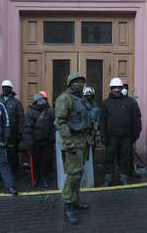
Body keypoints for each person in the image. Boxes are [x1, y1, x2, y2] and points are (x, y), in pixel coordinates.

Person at [55, 72, 91, 225]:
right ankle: (68, 206)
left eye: (82, 82)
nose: (80, 84)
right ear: (69, 83)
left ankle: (75, 201)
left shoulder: (80, 99)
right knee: (73, 175)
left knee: (78, 173)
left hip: (82, 141)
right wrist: (69, 142)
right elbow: (60, 122)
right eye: (76, 82)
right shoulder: (65, 98)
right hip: (72, 142)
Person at [100, 77, 141, 186]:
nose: (117, 90)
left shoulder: (131, 102)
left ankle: (123, 177)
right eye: (114, 88)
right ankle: (108, 178)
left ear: (122, 88)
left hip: (126, 137)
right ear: (111, 89)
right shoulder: (106, 103)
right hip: (111, 137)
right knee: (108, 158)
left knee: (125, 158)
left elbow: (137, 119)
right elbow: (102, 122)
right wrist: (103, 136)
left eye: (119, 87)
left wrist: (135, 135)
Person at [21, 92, 54, 188]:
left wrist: (52, 138)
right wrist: (29, 141)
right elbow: (27, 129)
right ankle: (35, 178)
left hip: (46, 142)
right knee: (35, 162)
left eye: (42, 101)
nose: (42, 103)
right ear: (35, 102)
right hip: (35, 143)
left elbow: (51, 126)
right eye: (40, 101)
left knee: (45, 161)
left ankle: (45, 179)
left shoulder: (48, 111)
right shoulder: (30, 113)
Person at [0, 79, 24, 176]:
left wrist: (20, 132)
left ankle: (14, 171)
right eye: (3, 88)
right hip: (0, 133)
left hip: (13, 133)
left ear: (11, 89)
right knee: (0, 154)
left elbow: (21, 118)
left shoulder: (16, 103)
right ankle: (2, 173)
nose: (5, 89)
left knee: (12, 154)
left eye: (7, 88)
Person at [121, 79, 142, 178]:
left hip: (129, 135)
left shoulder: (132, 102)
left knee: (129, 154)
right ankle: (115, 172)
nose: (124, 89)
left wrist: (136, 133)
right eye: (122, 87)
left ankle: (130, 170)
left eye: (126, 87)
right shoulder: (111, 101)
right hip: (115, 135)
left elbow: (137, 118)